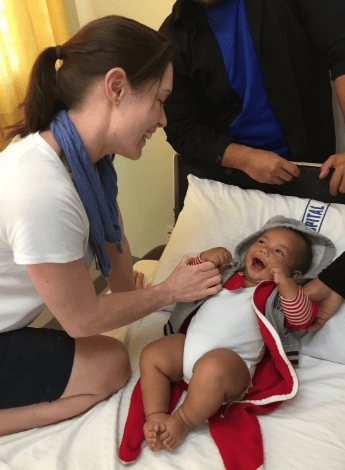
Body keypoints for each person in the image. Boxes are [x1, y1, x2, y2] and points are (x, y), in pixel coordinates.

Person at [0, 15, 224, 436]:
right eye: (160, 100)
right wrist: (169, 290)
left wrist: (156, 292)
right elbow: (82, 320)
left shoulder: (92, 169)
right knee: (111, 366)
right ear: (116, 87)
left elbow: (119, 269)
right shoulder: (40, 186)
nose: (163, 119)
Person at [138, 216, 334, 451]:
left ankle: (182, 420)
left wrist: (286, 283)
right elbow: (188, 281)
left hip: (231, 367)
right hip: (188, 346)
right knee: (152, 354)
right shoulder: (226, 274)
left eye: (279, 252)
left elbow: (302, 317)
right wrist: (205, 258)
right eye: (262, 241)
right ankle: (156, 415)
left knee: (213, 369)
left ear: (295, 273)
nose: (266, 250)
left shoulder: (277, 297)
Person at [159, 0, 345, 195]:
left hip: (311, 167)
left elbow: (340, 50)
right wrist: (244, 158)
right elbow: (179, 126)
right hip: (230, 179)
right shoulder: (172, 37)